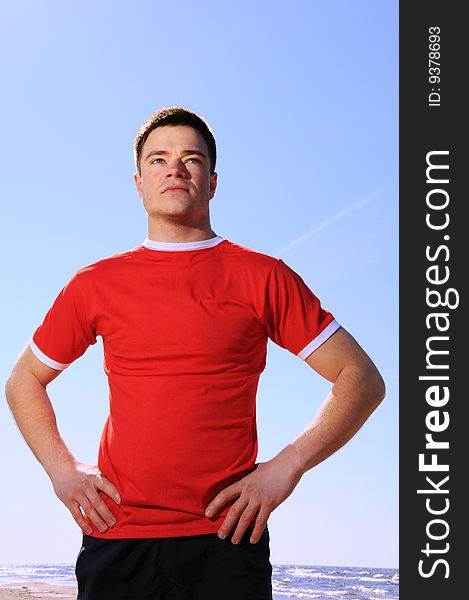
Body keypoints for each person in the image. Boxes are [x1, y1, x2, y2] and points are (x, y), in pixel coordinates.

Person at [5, 106, 385, 600]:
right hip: (117, 538)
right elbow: (23, 380)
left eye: (192, 158)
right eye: (159, 159)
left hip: (227, 540)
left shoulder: (263, 276)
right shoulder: (93, 284)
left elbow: (361, 377)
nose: (175, 169)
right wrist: (61, 469)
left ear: (213, 181)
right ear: (139, 182)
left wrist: (286, 466)